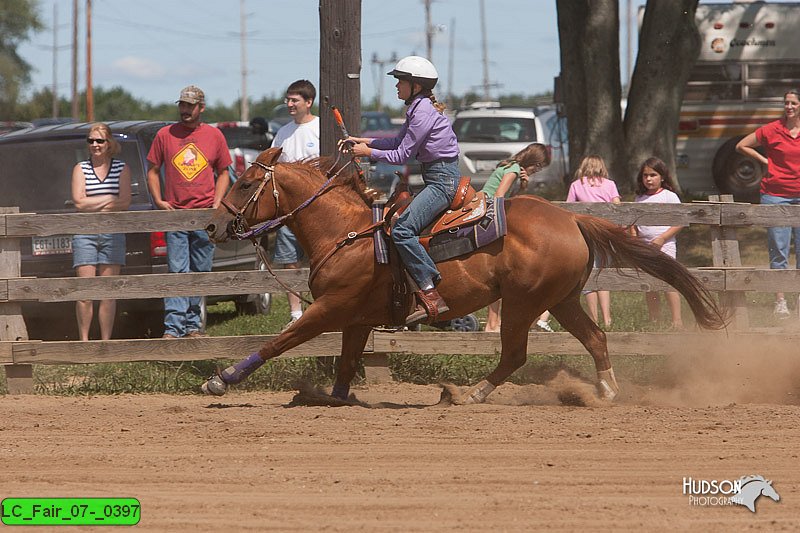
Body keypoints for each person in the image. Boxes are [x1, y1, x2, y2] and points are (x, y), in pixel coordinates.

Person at [349, 56, 459, 324]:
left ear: (416, 85)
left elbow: (402, 154)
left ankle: (431, 293)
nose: (396, 86)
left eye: (401, 81)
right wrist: (365, 140)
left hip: (441, 181)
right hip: (438, 176)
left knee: (402, 229)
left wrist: (366, 152)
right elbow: (398, 141)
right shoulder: (418, 108)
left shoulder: (421, 112)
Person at [146, 85, 232, 339]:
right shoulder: (165, 134)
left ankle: (193, 325)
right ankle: (173, 327)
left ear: (201, 108)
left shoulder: (214, 135)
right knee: (177, 270)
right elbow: (152, 170)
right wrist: (159, 200)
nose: (185, 110)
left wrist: (218, 201)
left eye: (190, 106)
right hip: (176, 213)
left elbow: (224, 171)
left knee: (201, 270)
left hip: (205, 213)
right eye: (182, 105)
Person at [736, 89, 800, 319]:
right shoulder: (772, 129)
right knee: (778, 250)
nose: (789, 106)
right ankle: (780, 301)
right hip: (775, 195)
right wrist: (766, 161)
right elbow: (742, 145)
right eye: (786, 103)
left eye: (793, 102)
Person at [479, 143, 552, 332]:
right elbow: (498, 197)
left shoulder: (511, 168)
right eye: (539, 167)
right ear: (533, 163)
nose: (538, 171)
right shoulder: (511, 170)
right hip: (486, 211)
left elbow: (510, 198)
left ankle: (493, 323)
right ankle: (492, 324)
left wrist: (523, 185)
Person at [71, 122, 132, 340]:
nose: (95, 145)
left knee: (108, 292)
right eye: (91, 140)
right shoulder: (80, 168)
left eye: (99, 140)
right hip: (84, 233)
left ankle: (106, 342)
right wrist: (108, 199)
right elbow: (79, 202)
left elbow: (124, 201)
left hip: (113, 233)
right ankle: (84, 341)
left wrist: (93, 202)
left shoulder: (121, 168)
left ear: (109, 143)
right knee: (85, 293)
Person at [269, 80, 319, 331]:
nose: (289, 104)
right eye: (287, 99)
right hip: (288, 210)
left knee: (319, 259)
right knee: (290, 260)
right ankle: (296, 313)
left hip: (316, 208)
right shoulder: (283, 132)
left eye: (294, 100)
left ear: (308, 102)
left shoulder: (320, 127)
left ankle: (321, 309)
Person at [566, 155, 621, 327]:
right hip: (604, 234)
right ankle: (608, 319)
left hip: (584, 234)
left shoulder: (576, 185)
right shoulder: (610, 184)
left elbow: (568, 209)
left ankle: (593, 318)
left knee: (588, 276)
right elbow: (617, 207)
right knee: (602, 274)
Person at [631, 157, 684, 329]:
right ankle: (655, 320)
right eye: (645, 175)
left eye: (653, 175)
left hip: (665, 245)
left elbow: (680, 221)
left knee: (669, 281)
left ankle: (677, 320)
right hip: (644, 247)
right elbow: (633, 222)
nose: (649, 179)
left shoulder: (669, 197)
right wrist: (635, 240)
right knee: (650, 285)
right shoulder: (639, 198)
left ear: (662, 176)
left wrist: (663, 238)